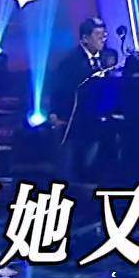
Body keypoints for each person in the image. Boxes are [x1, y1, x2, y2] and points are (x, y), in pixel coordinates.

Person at [47, 18, 120, 178]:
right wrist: (55, 113)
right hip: (77, 117)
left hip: (103, 114)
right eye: (98, 35)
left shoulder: (107, 58)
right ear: (85, 38)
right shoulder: (70, 63)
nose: (102, 38)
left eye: (104, 34)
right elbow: (59, 91)